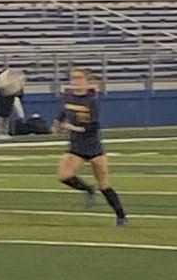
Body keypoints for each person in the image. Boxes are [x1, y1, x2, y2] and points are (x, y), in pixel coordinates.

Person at [54, 68, 128, 227]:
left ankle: (121, 215)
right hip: (76, 147)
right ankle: (88, 189)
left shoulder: (92, 100)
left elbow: (91, 127)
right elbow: (60, 119)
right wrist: (57, 127)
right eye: (73, 78)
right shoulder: (66, 98)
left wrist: (69, 127)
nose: (75, 81)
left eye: (79, 78)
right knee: (64, 176)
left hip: (94, 147)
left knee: (104, 184)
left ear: (87, 81)